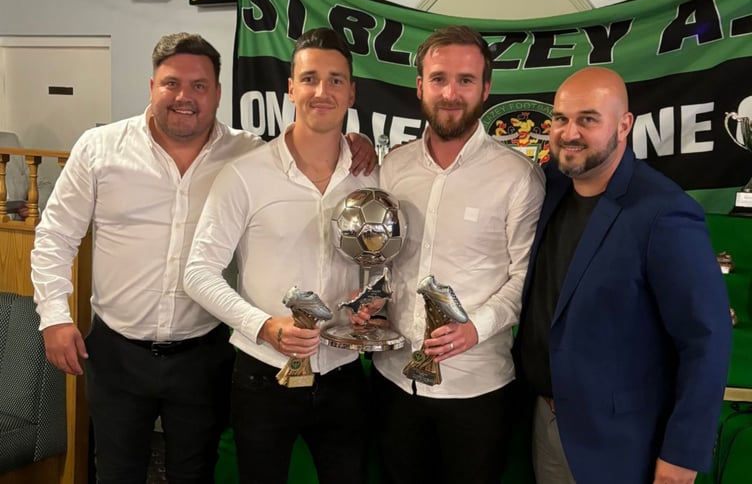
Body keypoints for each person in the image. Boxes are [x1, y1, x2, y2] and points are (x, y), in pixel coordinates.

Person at [30, 32, 376, 484]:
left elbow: (309, 136)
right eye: (172, 83)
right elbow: (55, 235)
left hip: (202, 352)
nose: (184, 97)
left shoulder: (246, 152)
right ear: (152, 85)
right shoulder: (100, 150)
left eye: (199, 86)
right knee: (116, 471)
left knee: (195, 472)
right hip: (118, 350)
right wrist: (54, 316)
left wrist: (356, 141)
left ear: (217, 93)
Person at [513, 66, 732, 484]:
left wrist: (682, 455)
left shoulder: (664, 211)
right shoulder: (551, 186)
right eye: (560, 119)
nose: (569, 132)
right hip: (545, 422)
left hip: (620, 442)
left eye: (588, 119)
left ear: (624, 125)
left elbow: (707, 337)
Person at [352, 25, 545, 484]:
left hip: (478, 387)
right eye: (438, 79)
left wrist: (474, 330)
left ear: (486, 88)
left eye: (465, 80)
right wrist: (372, 299)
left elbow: (526, 278)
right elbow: (382, 258)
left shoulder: (517, 177)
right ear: (420, 86)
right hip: (394, 377)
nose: (451, 93)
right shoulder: (392, 167)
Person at [183, 28, 376, 484]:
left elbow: (381, 262)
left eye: (335, 80)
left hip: (344, 370)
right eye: (309, 79)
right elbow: (198, 273)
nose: (321, 91)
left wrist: (374, 300)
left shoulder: (372, 176)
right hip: (262, 374)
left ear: (351, 91)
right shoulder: (245, 175)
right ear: (291, 88)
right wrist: (264, 327)